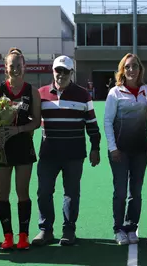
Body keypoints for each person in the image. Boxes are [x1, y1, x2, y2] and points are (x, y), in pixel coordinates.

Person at [34, 55, 101, 246]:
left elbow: (92, 124)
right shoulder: (41, 93)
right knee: (44, 192)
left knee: (71, 193)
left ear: (71, 73)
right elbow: (32, 122)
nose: (61, 74)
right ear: (53, 71)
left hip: (74, 155)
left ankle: (68, 230)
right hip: (48, 154)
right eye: (58, 70)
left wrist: (95, 148)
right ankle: (45, 230)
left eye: (65, 71)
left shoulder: (83, 95)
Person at [0, 48, 42, 250]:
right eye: (12, 66)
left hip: (23, 146)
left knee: (23, 193)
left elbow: (37, 122)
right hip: (2, 147)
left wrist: (18, 129)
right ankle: (7, 236)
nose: (16, 69)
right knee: (2, 194)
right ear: (6, 68)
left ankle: (23, 236)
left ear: (24, 67)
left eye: (19, 66)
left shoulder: (32, 91)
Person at [104, 53, 147, 245]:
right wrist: (112, 148)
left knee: (136, 191)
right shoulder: (115, 92)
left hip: (141, 149)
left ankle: (131, 226)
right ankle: (118, 228)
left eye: (135, 66)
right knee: (121, 192)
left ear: (140, 69)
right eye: (127, 67)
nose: (131, 70)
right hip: (120, 151)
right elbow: (107, 121)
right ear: (122, 70)